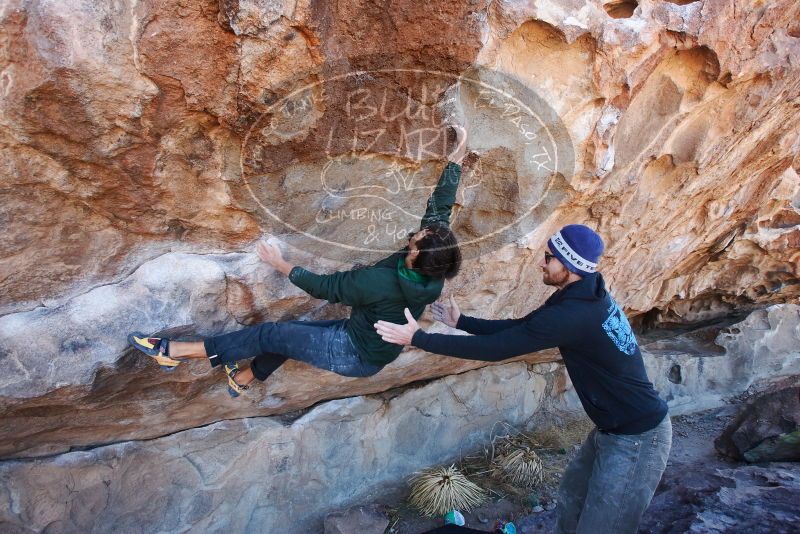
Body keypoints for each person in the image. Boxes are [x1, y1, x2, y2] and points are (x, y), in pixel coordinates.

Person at [128, 126, 468, 397]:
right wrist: (457, 157)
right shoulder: (432, 271)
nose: (412, 237)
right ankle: (242, 378)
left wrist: (279, 262)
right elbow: (438, 212)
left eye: (415, 242)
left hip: (353, 352)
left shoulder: (380, 283)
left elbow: (325, 287)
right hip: (369, 343)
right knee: (293, 336)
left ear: (416, 255)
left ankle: (174, 351)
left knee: (270, 335)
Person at [374, 224, 672, 534]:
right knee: (571, 504)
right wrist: (461, 322)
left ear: (569, 267)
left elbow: (498, 349)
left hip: (639, 438)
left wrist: (419, 338)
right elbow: (522, 329)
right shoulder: (581, 295)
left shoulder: (574, 314)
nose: (541, 263)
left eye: (549, 257)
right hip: (612, 432)